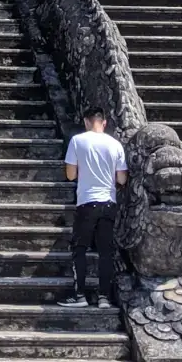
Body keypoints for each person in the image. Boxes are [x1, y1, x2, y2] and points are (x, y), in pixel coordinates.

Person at [57, 108, 127, 309]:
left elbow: (70, 175)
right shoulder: (115, 144)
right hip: (109, 202)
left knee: (79, 248)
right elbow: (122, 177)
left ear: (87, 122)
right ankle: (104, 297)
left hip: (87, 201)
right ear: (103, 123)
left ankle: (80, 295)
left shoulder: (78, 141)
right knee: (105, 251)